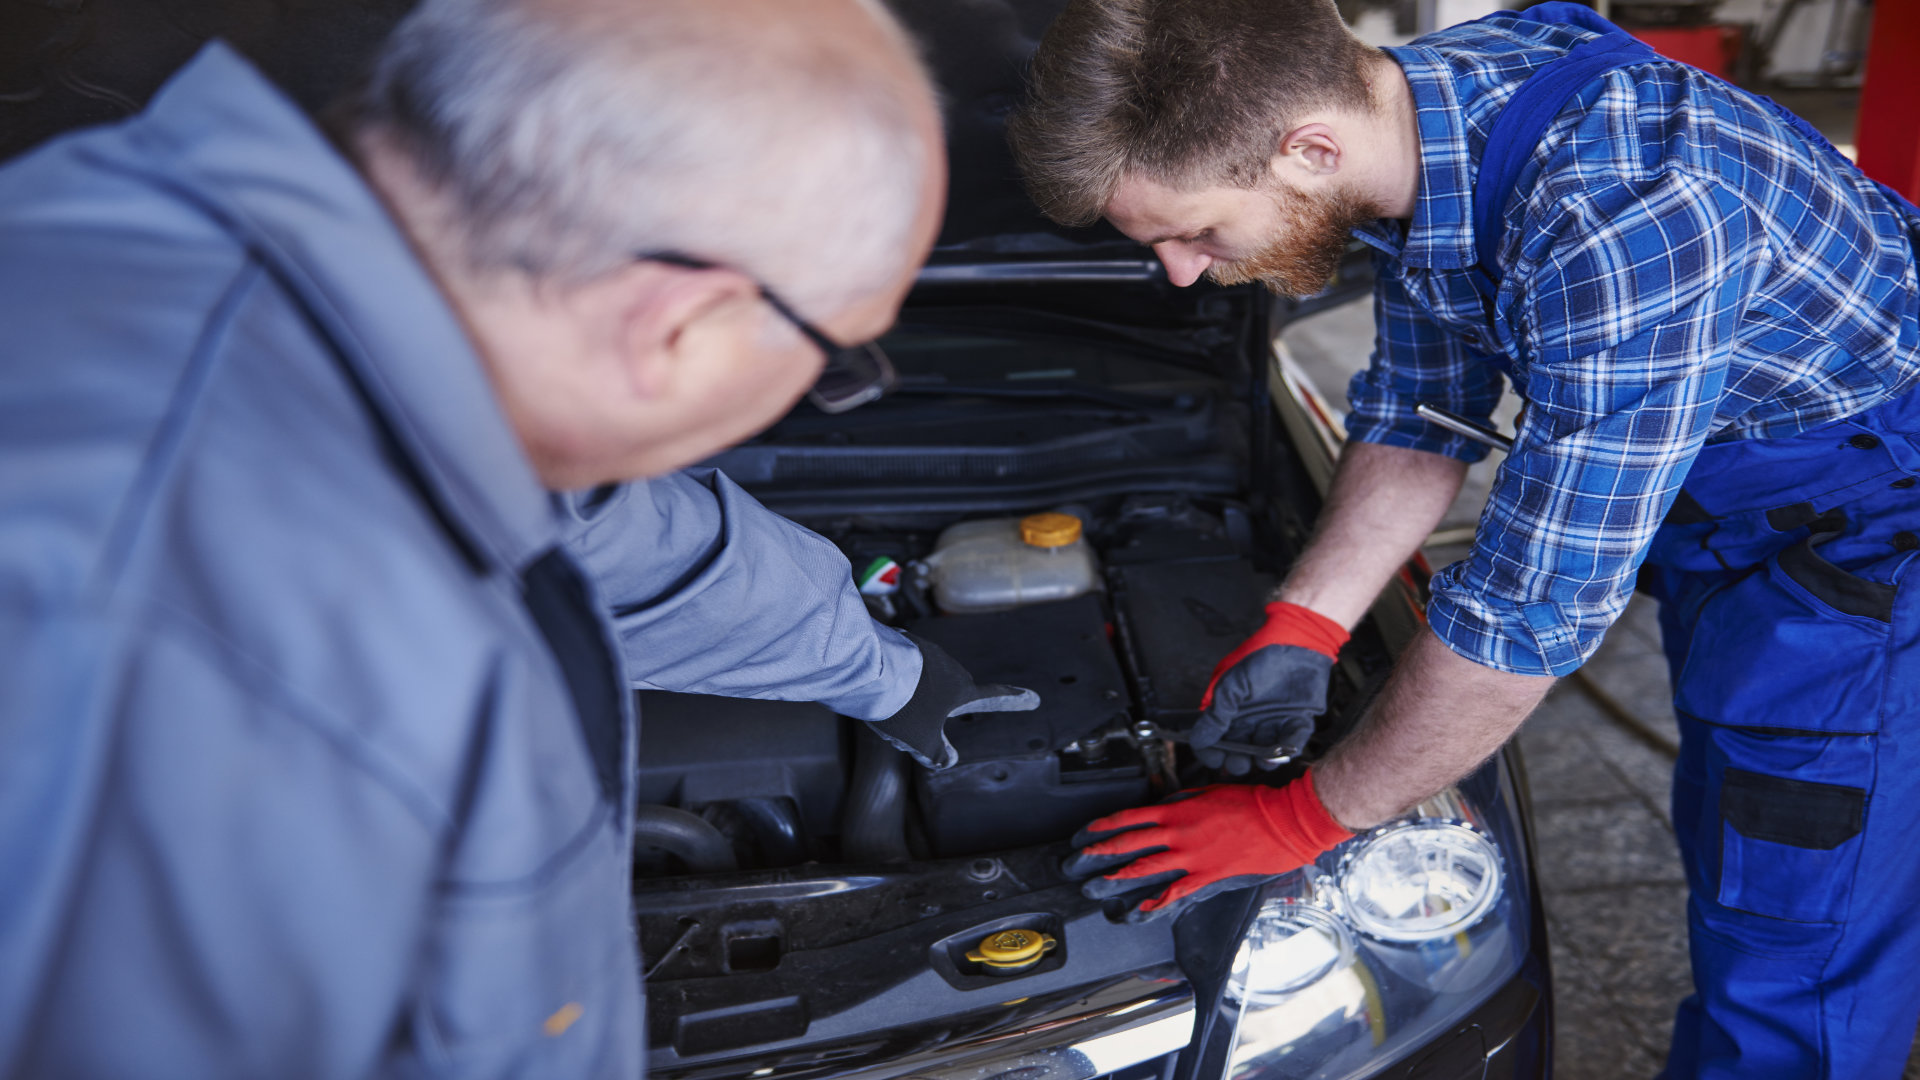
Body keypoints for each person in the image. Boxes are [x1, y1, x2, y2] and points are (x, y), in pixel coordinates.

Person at [0, 0, 1039, 1074]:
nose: (823, 388)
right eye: (839, 361)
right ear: (677, 322)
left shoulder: (177, 254)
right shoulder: (218, 670)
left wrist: (880, 669)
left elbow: (622, 544)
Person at [1009, 1, 1920, 1077]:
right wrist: (1306, 620)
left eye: (1198, 231)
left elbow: (1528, 620)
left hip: (1865, 533)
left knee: (1796, 933)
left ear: (1310, 148)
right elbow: (1420, 412)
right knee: (1742, 840)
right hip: (1735, 500)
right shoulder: (1414, 116)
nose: (1180, 273)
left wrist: (1301, 823)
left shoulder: (1626, 215)